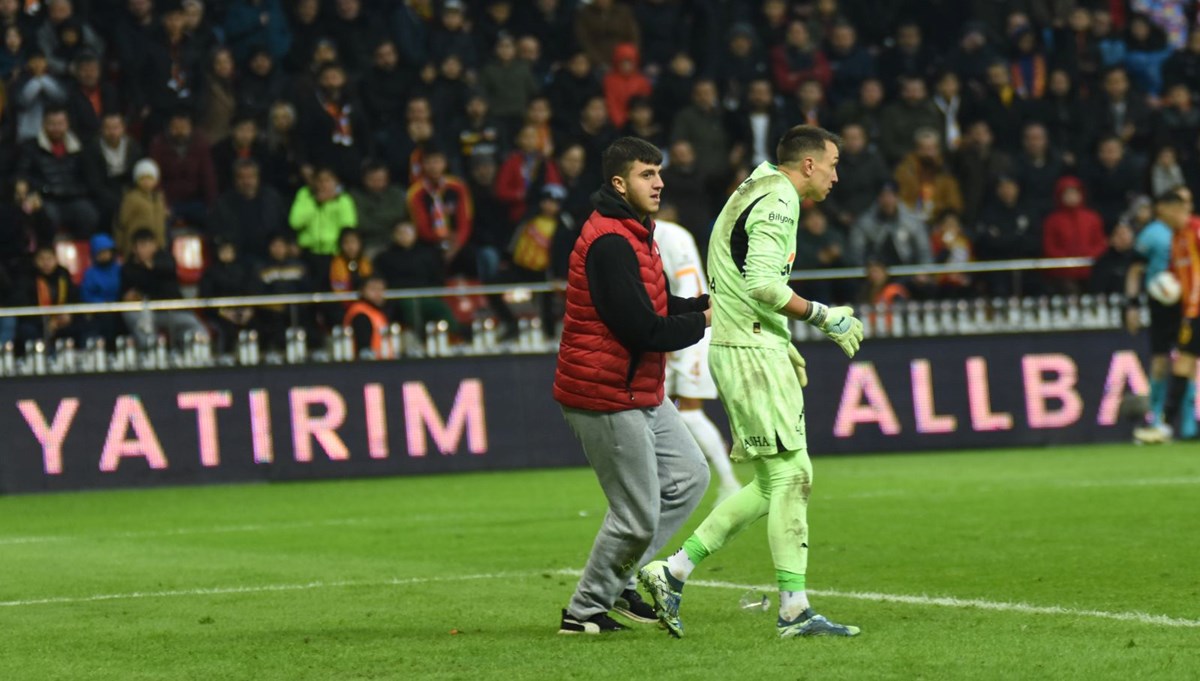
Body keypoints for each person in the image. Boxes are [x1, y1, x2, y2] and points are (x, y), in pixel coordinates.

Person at [639, 125, 864, 639]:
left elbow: (738, 277)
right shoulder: (781, 199)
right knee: (794, 477)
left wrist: (781, 339)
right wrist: (825, 317)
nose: (835, 175)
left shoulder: (756, 185)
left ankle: (671, 573)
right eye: (832, 164)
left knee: (773, 483)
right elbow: (762, 281)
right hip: (748, 351)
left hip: (750, 344)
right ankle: (793, 611)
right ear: (807, 164)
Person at [554, 137, 712, 635]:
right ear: (619, 183)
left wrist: (704, 305)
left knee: (689, 476)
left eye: (660, 172)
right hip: (603, 394)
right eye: (648, 174)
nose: (660, 182)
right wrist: (705, 321)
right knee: (637, 516)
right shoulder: (610, 242)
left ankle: (618, 584)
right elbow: (642, 329)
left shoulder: (634, 231)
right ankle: (583, 612)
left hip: (637, 388)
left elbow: (657, 308)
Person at [652, 214, 742, 502]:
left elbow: (685, 287)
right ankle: (667, 483)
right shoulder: (671, 233)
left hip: (690, 334)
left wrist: (671, 335)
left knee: (688, 411)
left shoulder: (662, 235)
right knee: (661, 410)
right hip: (686, 327)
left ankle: (728, 482)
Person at [1127, 188, 1196, 440]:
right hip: (1168, 306)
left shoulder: (1191, 231)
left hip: (1189, 306)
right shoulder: (1161, 236)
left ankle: (1178, 423)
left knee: (1186, 360)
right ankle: (1160, 419)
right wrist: (1132, 303)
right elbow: (1135, 270)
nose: (1186, 210)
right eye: (1182, 205)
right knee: (1171, 361)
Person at [119, 228, 208, 350]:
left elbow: (167, 272)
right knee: (133, 316)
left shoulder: (166, 259)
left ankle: (200, 354)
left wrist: (152, 266)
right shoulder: (128, 269)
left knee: (194, 326)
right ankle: (151, 351)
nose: (146, 249)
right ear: (134, 248)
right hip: (146, 314)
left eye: (149, 244)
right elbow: (127, 294)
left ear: (155, 246)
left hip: (172, 311)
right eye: (142, 245)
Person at [344, 275, 393, 359]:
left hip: (381, 361)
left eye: (381, 289)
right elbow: (363, 349)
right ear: (362, 291)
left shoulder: (376, 312)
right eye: (373, 289)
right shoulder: (360, 314)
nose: (378, 294)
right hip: (369, 365)